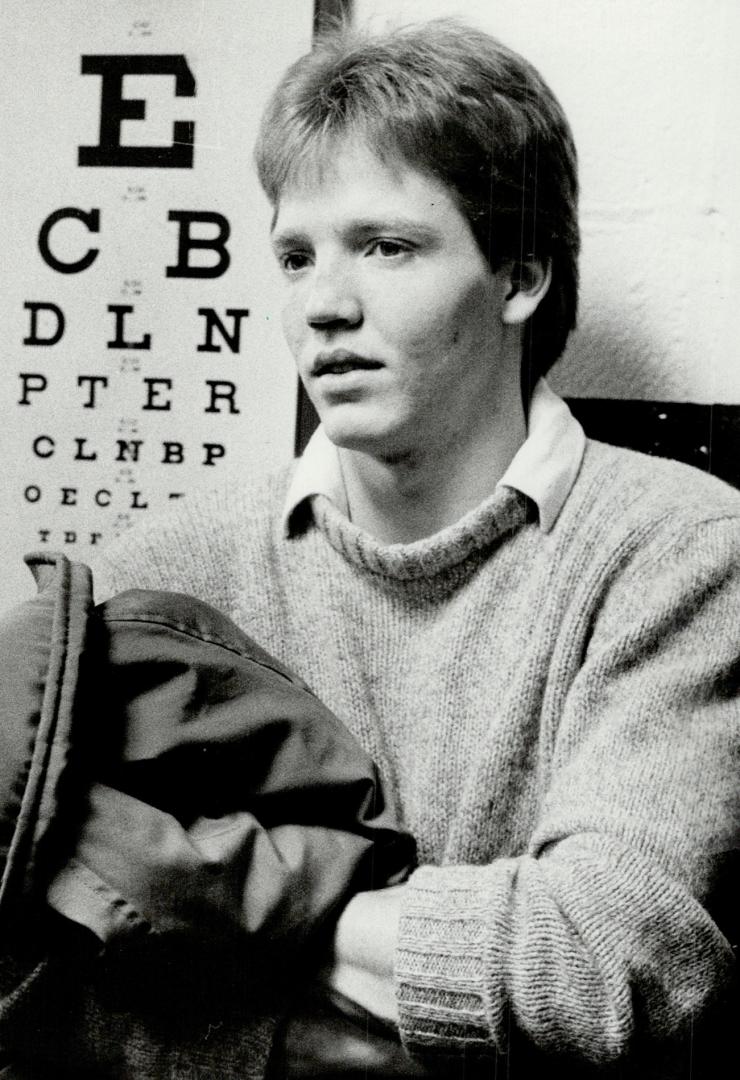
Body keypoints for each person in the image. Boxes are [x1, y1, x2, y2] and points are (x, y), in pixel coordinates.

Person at [86, 18, 738, 1078]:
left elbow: (601, 962)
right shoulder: (158, 567)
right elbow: (27, 975)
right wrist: (285, 1048)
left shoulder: (676, 553)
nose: (322, 306)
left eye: (384, 247)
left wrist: (218, 900)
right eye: (296, 256)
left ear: (518, 277)